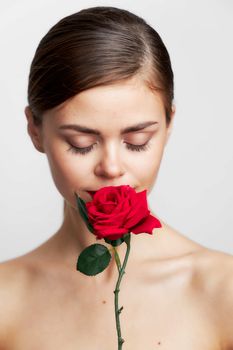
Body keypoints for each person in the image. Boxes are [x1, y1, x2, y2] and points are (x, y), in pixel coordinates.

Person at [0, 5, 232, 349]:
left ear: (168, 125)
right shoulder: (6, 299)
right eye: (81, 143)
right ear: (35, 131)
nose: (110, 167)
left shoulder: (223, 290)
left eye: (136, 142)